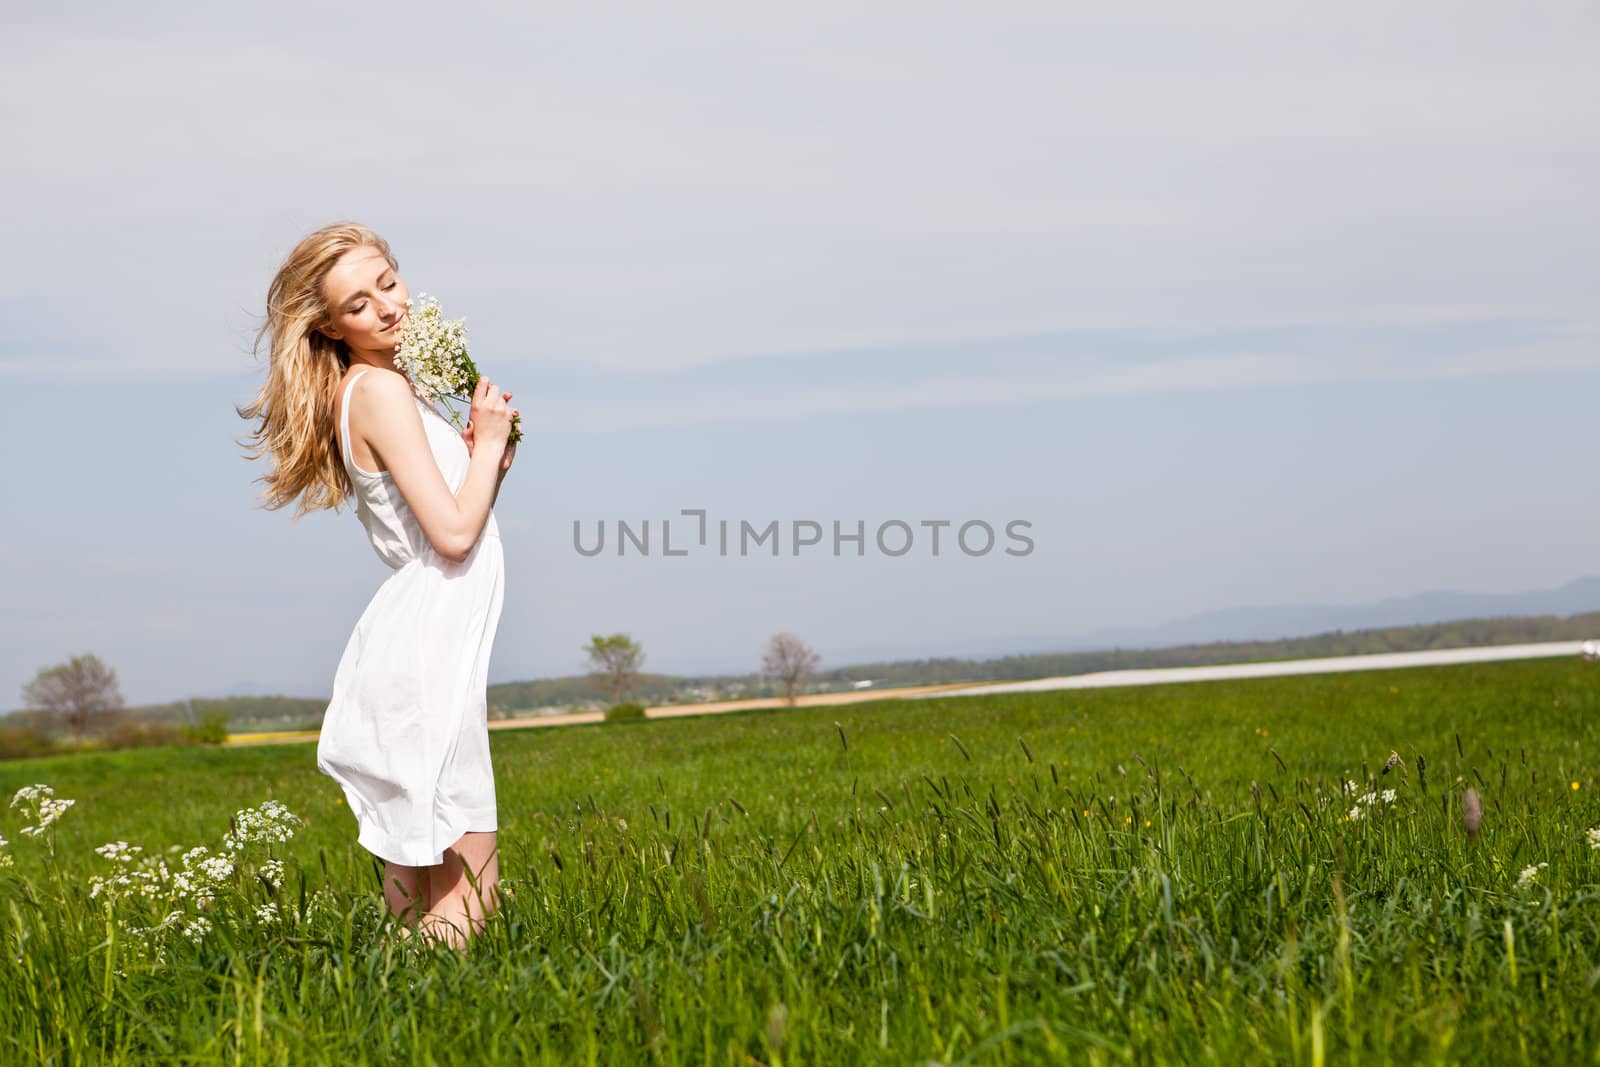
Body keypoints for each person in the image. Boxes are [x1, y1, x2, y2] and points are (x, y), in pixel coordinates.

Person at [238, 222, 518, 949]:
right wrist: (487, 441)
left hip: (418, 643)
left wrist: (482, 463)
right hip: (428, 651)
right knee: (469, 898)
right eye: (359, 305)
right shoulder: (382, 391)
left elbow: (446, 517)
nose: (388, 307)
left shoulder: (373, 390)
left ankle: (385, 1018)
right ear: (330, 327)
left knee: (417, 897)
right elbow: (453, 536)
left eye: (388, 283)